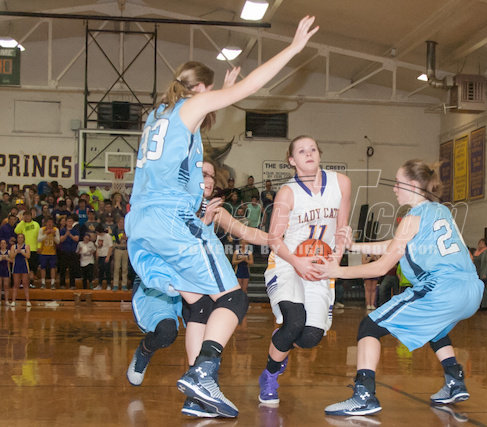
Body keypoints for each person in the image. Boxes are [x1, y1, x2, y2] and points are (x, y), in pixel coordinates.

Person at [125, 16, 318, 418]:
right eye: (210, 91)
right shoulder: (190, 105)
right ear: (199, 88)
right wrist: (293, 49)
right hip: (172, 220)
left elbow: (194, 124)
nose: (212, 98)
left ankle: (197, 398)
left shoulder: (157, 115)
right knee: (233, 298)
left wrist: (223, 93)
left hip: (140, 223)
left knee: (201, 304)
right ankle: (203, 373)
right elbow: (251, 88)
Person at [317, 158, 483, 416]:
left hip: (441, 288)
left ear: (414, 185)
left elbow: (381, 267)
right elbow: (397, 245)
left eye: (398, 183)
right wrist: (354, 246)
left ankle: (363, 396)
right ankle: (454, 380)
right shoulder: (442, 211)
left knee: (369, 327)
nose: (394, 188)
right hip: (471, 289)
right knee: (435, 328)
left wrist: (337, 272)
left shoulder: (412, 217)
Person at [127, 157, 269, 419]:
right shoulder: (173, 204)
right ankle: (146, 350)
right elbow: (174, 246)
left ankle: (197, 394)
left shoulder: (213, 209)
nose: (208, 179)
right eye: (203, 173)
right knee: (166, 332)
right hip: (160, 279)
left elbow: (247, 233)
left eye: (212, 175)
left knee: (203, 308)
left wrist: (279, 240)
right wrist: (203, 221)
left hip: (188, 279)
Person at [258, 134, 351, 405]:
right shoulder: (288, 192)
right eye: (301, 151)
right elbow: (274, 239)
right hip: (288, 262)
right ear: (292, 160)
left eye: (312, 149)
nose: (308, 154)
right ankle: (269, 377)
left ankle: (282, 342)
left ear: (319, 154)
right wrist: (297, 262)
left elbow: (342, 228)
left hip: (320, 266)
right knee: (294, 321)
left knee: (310, 337)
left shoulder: (341, 183)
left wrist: (336, 258)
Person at [37, 217, 59, 289]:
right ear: (46, 223)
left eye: (51, 222)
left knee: (53, 267)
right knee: (43, 267)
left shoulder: (56, 230)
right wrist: (46, 234)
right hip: (43, 252)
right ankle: (43, 283)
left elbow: (58, 241)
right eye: (48, 222)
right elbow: (39, 239)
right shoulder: (42, 229)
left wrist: (54, 235)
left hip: (52, 252)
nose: (50, 224)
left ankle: (53, 283)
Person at [10, 233, 31, 307]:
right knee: (16, 284)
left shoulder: (26, 246)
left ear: (23, 239)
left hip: (24, 266)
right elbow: (11, 256)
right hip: (16, 266)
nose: (20, 239)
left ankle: (28, 301)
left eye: (21, 237)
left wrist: (21, 252)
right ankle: (13, 301)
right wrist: (16, 252)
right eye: (19, 237)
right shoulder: (13, 247)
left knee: (25, 283)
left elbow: (28, 256)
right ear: (17, 238)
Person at [472, 238, 487, 308]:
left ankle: (484, 305)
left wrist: (484, 274)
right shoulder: (476, 252)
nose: (480, 244)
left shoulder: (486, 252)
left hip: (482, 273)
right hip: (476, 272)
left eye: (482, 243)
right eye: (479, 243)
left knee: (484, 289)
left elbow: (485, 263)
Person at [0, 239, 11, 305]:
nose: (3, 244)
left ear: (6, 245)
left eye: (4, 243)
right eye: (1, 243)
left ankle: (6, 301)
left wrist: (7, 259)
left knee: (6, 286)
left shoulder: (9, 252)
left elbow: (12, 260)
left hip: (6, 270)